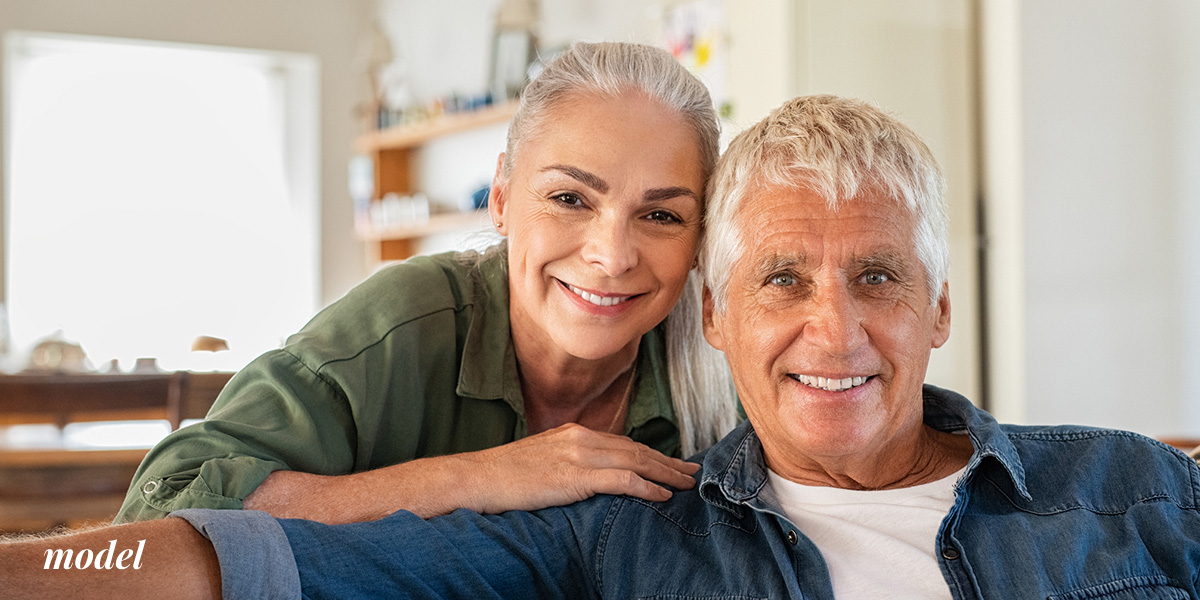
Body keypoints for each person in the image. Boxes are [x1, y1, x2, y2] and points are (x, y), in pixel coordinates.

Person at [7, 94, 1200, 599]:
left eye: (878, 276)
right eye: (782, 278)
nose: (833, 330)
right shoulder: (626, 527)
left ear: (940, 310)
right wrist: (35, 571)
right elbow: (244, 565)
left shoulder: (1130, 488)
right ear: (719, 313)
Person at [115, 41, 738, 524]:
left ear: (699, 238)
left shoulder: (725, 362)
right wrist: (478, 478)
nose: (612, 255)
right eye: (570, 198)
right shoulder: (404, 323)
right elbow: (163, 504)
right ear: (500, 198)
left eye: (662, 215)